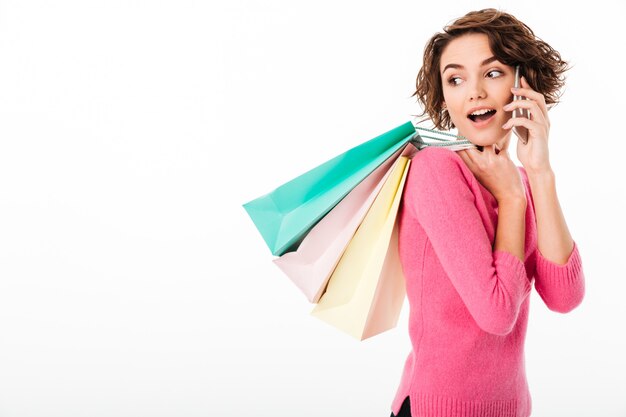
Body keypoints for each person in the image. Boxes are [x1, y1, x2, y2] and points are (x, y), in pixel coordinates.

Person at [390, 8, 585, 417]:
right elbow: (496, 313)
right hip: (438, 408)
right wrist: (513, 200)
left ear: (522, 84)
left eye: (492, 73)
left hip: (511, 407)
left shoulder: (517, 178)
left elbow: (565, 297)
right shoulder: (436, 171)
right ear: (445, 98)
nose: (473, 92)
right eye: (455, 79)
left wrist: (538, 171)